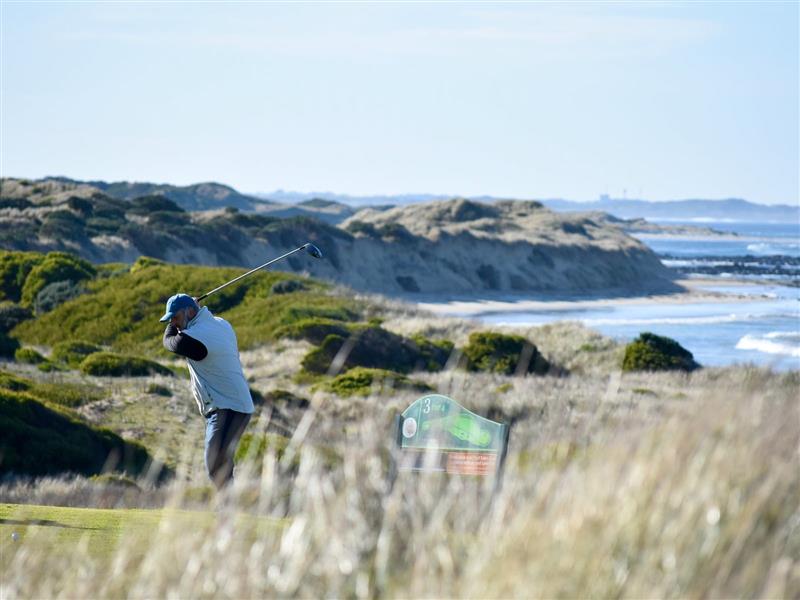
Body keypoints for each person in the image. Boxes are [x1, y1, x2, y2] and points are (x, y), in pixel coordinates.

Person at [160, 293, 254, 489]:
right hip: (236, 404)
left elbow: (170, 342)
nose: (174, 323)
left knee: (214, 463)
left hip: (227, 406)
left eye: (175, 317)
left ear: (190, 311)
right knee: (221, 463)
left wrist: (172, 325)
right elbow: (191, 327)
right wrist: (183, 313)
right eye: (171, 320)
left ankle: (228, 512)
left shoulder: (196, 336)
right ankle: (228, 513)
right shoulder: (222, 324)